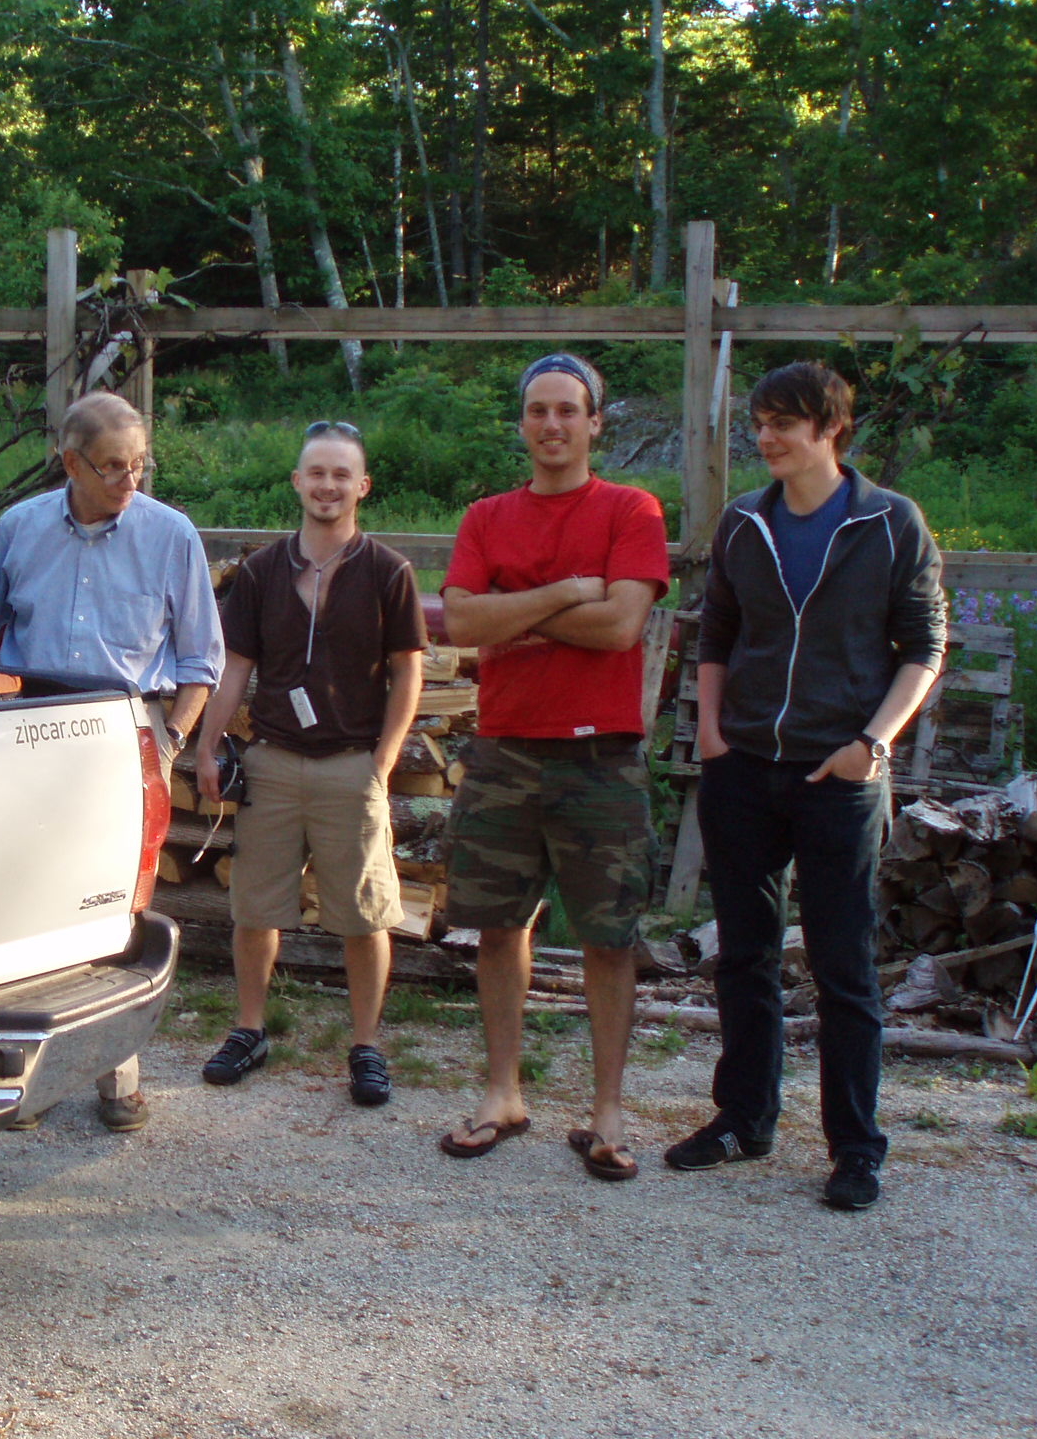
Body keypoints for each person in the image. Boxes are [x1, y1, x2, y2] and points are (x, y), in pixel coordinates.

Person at [666, 362, 945, 1211]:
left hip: (841, 774)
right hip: (744, 768)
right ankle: (744, 1119)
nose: (767, 436)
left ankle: (856, 1148)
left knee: (843, 966)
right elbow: (715, 633)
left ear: (831, 428)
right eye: (760, 422)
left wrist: (872, 744)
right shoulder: (745, 521)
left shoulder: (891, 524)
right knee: (743, 955)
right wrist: (712, 736)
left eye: (784, 422)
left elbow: (925, 647)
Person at [437, 352, 669, 1182]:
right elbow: (461, 620)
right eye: (538, 411)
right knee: (499, 928)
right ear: (523, 421)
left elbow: (620, 628)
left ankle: (607, 1113)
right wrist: (573, 588)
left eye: (569, 411)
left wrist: (520, 616)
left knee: (610, 937)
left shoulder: (630, 508)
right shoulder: (486, 517)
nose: (552, 425)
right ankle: (503, 1092)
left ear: (595, 422)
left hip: (600, 754)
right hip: (504, 749)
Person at [0, 390, 225, 1132]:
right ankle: (18, 1079)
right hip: (28, 725)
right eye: (112, 466)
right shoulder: (19, 530)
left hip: (126, 728)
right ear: (70, 463)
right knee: (17, 899)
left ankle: (118, 1077)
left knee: (119, 903)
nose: (129, 481)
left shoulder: (171, 535)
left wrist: (172, 739)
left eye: (138, 465)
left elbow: (200, 660)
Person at [193, 421, 426, 1106]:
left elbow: (408, 673)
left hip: (352, 764)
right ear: (296, 482)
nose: (327, 485)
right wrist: (208, 745)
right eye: (315, 473)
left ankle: (366, 1045)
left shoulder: (389, 572)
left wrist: (382, 763)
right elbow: (236, 667)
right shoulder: (262, 572)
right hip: (272, 762)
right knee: (255, 911)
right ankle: (249, 1029)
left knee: (363, 915)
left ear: (362, 486)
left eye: (340, 474)